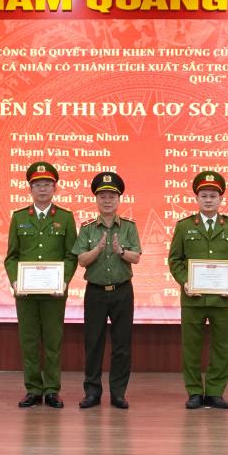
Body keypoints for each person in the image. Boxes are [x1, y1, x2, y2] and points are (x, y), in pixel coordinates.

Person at [168, 171, 228, 410]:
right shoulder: (184, 226)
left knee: (222, 347)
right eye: (204, 195)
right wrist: (185, 281)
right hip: (193, 298)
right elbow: (175, 260)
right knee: (191, 348)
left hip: (223, 299)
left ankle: (215, 392)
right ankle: (194, 391)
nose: (208, 200)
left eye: (213, 196)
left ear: (221, 199)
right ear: (197, 198)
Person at [4, 161, 78, 409]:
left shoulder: (65, 218)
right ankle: (33, 390)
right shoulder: (19, 217)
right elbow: (11, 256)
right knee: (29, 341)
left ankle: (52, 390)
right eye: (37, 185)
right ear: (30, 189)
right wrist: (15, 280)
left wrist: (63, 281)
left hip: (54, 293)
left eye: (47, 184)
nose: (42, 189)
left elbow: (71, 255)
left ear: (55, 188)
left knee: (53, 342)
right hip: (25, 293)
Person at [71, 171, 141, 410]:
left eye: (112, 196)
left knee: (122, 344)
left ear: (119, 199)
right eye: (103, 196)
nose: (107, 200)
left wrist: (121, 251)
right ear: (96, 199)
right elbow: (81, 260)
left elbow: (136, 257)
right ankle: (92, 392)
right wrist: (98, 249)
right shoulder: (88, 228)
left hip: (122, 291)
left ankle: (118, 393)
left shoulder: (129, 227)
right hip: (96, 292)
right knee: (93, 343)